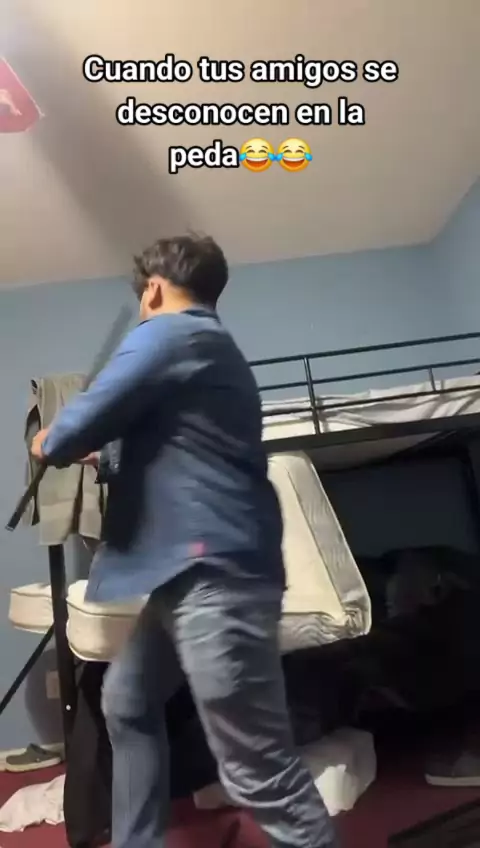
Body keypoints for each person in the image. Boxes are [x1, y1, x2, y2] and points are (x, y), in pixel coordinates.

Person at [30, 234, 338, 848]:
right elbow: (179, 453)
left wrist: (49, 441)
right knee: (127, 700)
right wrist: (101, 458)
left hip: (211, 576)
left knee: (257, 767)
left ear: (152, 289)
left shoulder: (168, 334)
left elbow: (69, 430)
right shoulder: (208, 350)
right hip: (188, 577)